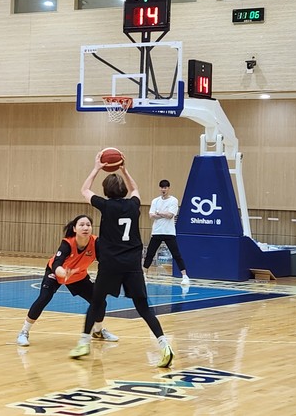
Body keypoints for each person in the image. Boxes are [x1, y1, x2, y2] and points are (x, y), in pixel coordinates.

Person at [69, 150, 174, 368]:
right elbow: (135, 189)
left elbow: (84, 190)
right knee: (143, 307)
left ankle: (84, 343)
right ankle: (164, 345)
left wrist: (96, 168)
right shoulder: (133, 204)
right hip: (132, 265)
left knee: (97, 302)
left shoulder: (105, 206)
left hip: (110, 264)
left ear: (106, 191)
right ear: (124, 190)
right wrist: (124, 170)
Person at [16, 214, 119, 346]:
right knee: (44, 298)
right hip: (56, 274)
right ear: (75, 229)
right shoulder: (67, 243)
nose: (85, 227)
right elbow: (56, 264)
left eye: (88, 225)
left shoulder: (96, 243)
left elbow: (104, 262)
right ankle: (24, 332)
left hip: (78, 276)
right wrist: (63, 273)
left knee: (100, 302)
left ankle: (98, 332)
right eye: (82, 225)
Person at [143, 179, 190, 285]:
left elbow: (170, 215)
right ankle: (144, 274)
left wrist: (158, 212)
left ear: (168, 188)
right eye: (162, 187)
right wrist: (163, 214)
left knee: (176, 254)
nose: (163, 190)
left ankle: (184, 276)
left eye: (165, 188)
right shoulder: (155, 201)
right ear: (159, 188)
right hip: (157, 231)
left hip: (169, 232)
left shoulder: (173, 200)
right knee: (150, 253)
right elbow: (151, 215)